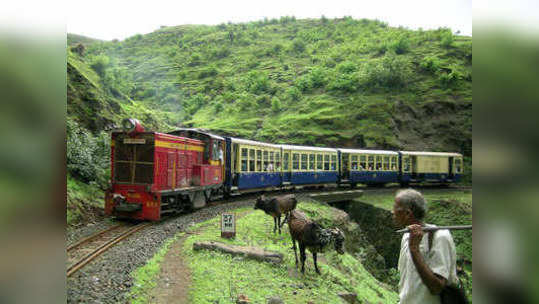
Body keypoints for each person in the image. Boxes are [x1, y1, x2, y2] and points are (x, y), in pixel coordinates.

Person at [392, 189, 457, 304]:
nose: (393, 213)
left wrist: (415, 250)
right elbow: (407, 283)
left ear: (407, 213)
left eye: (396, 209)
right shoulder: (407, 236)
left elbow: (437, 287)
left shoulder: (440, 237)